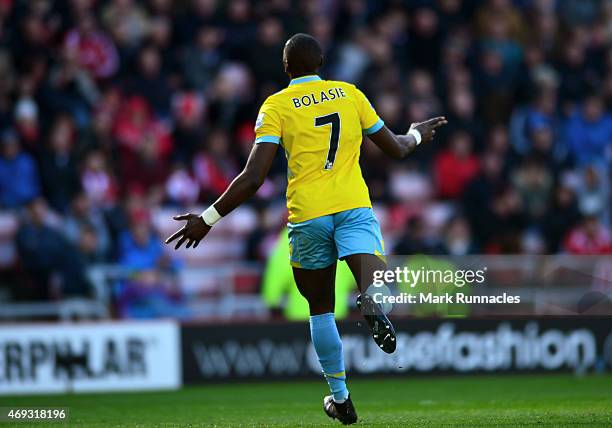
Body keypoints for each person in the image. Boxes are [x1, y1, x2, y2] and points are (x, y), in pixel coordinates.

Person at [165, 33, 446, 425]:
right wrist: (416, 132)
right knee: (374, 278)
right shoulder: (350, 94)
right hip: (352, 206)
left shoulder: (277, 106)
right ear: (321, 63)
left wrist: (207, 218)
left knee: (320, 310)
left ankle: (341, 398)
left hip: (308, 216)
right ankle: (373, 299)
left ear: (286, 67)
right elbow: (397, 148)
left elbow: (253, 177)